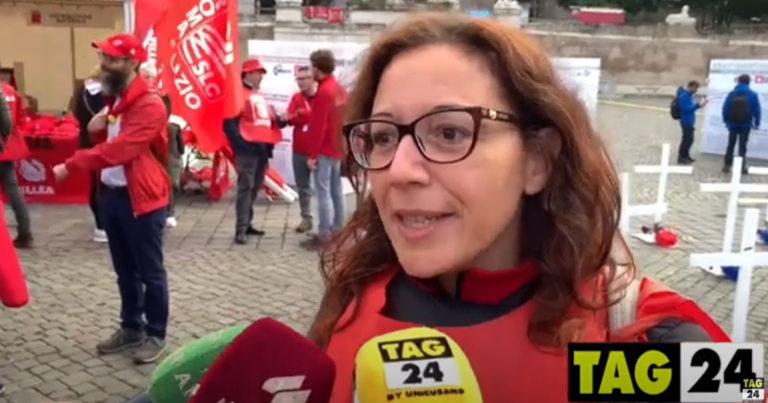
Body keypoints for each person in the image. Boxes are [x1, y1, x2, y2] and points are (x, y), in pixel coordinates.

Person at [305, 15, 730, 403]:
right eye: (382, 137)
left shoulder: (637, 339)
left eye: (449, 132)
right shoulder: (351, 303)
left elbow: (747, 388)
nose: (398, 170)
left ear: (537, 161)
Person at [52, 33, 171, 364]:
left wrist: (73, 163)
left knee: (150, 272)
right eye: (104, 56)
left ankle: (155, 334)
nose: (105, 63)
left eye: (113, 58)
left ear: (132, 63)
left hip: (142, 199)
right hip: (113, 196)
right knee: (124, 270)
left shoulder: (149, 104)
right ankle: (131, 328)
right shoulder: (117, 98)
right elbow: (112, 135)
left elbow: (122, 149)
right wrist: (96, 128)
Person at [223, 57, 286, 245]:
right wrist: (241, 144)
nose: (261, 77)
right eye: (259, 73)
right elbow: (228, 123)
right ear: (248, 73)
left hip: (260, 149)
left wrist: (281, 120)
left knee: (253, 188)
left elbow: (265, 120)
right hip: (248, 150)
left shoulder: (257, 95)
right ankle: (240, 228)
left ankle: (247, 223)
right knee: (246, 187)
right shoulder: (238, 95)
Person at [300, 50, 346, 250]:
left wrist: (312, 155)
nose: (311, 70)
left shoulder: (323, 93)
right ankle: (338, 230)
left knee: (323, 193)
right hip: (338, 148)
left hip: (325, 149)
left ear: (317, 68)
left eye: (312, 66)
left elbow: (319, 127)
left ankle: (324, 234)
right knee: (337, 191)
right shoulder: (340, 89)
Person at [138, 62, 182, 228]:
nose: (143, 80)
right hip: (146, 141)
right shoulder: (136, 95)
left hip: (161, 140)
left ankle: (169, 212)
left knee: (166, 176)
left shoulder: (161, 96)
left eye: (146, 77)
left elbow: (164, 116)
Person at [72, 67, 108, 242]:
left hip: (87, 140)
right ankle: (105, 224)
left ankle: (99, 224)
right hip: (104, 141)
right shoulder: (108, 93)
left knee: (95, 183)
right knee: (106, 184)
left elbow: (75, 112)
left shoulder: (82, 91)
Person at [0, 69, 32, 248]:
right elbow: (17, 119)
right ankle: (25, 231)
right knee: (13, 192)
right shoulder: (11, 91)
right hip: (8, 146)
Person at [287, 66, 317, 233]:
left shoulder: (322, 97)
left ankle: (326, 222)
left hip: (319, 151)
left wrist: (303, 113)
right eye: (298, 79)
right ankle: (306, 218)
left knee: (322, 187)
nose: (300, 82)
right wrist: (302, 115)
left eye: (304, 78)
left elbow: (321, 119)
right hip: (299, 149)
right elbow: (290, 118)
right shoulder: (296, 97)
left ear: (312, 79)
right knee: (303, 186)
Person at [722, 73, 761, 174]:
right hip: (746, 124)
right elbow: (756, 110)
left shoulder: (732, 94)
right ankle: (742, 167)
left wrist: (726, 121)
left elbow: (726, 108)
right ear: (749, 82)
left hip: (733, 124)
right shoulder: (752, 94)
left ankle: (727, 165)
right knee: (742, 146)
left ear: (739, 81)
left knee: (730, 144)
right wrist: (756, 122)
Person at [674, 80, 706, 164]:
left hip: (689, 121)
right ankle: (682, 157)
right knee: (687, 140)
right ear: (690, 87)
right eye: (695, 88)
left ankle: (686, 155)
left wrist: (699, 104)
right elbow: (686, 109)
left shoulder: (688, 96)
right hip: (686, 121)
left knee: (688, 139)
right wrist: (698, 105)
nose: (696, 91)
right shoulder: (684, 96)